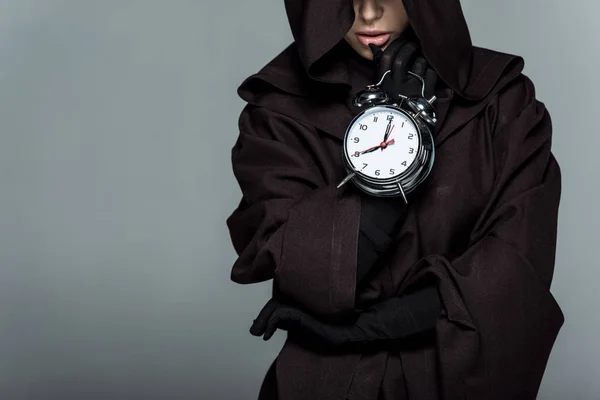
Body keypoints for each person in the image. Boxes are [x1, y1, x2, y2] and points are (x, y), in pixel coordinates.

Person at [226, 0, 564, 399]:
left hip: (456, 378)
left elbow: (514, 268)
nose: (368, 12)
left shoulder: (503, 102)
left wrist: (364, 327)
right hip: (326, 383)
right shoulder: (277, 113)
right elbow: (305, 269)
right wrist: (397, 129)